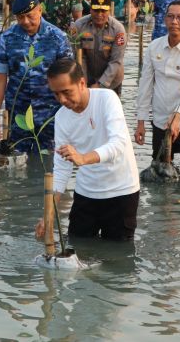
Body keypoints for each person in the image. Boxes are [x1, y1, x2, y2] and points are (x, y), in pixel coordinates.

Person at [34, 59, 140, 241]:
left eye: (67, 92)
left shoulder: (107, 99)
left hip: (121, 192)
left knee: (118, 257)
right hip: (86, 193)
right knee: (76, 247)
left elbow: (118, 144)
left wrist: (83, 158)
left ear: (81, 83)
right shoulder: (61, 118)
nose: (62, 100)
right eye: (56, 94)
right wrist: (48, 213)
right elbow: (61, 169)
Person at [0, 0, 73, 154]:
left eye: (30, 16)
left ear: (40, 10)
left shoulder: (57, 37)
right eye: (20, 18)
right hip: (18, 113)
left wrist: (73, 115)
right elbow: (0, 78)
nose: (26, 22)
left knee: (49, 160)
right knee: (17, 160)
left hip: (50, 113)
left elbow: (69, 79)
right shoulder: (7, 38)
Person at [135, 1, 180, 167]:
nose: (175, 21)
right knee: (160, 169)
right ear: (164, 20)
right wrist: (141, 121)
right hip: (160, 122)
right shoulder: (154, 47)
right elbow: (145, 85)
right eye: (170, 17)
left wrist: (177, 116)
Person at [73, 0, 126, 94]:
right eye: (96, 10)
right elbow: (79, 57)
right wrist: (83, 82)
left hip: (112, 80)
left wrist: (100, 84)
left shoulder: (118, 30)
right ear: (90, 10)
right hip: (87, 77)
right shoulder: (79, 26)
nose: (99, 14)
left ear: (109, 11)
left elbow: (116, 61)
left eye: (103, 11)